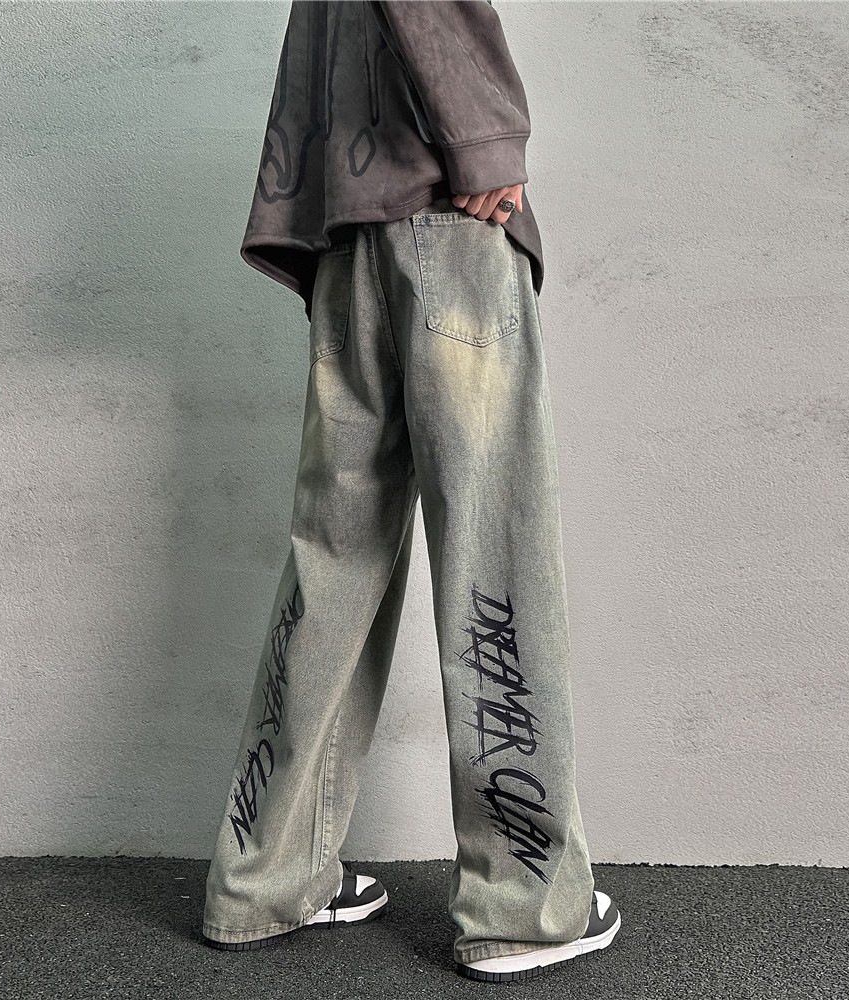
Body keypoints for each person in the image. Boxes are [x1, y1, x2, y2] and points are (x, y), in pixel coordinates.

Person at [201, 0, 621, 982]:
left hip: (347, 233)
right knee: (495, 549)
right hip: (447, 220)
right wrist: (485, 141)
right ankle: (521, 903)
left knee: (333, 558)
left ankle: (263, 879)